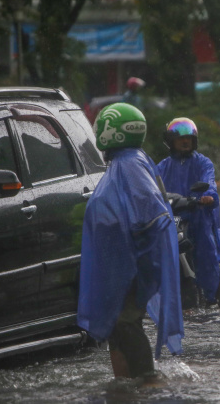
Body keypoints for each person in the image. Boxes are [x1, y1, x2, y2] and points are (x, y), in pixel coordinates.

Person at [77, 103, 183, 381]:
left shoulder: (128, 165)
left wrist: (135, 248)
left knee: (125, 321)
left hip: (132, 262)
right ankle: (123, 387)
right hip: (128, 259)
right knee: (117, 323)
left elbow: (151, 211)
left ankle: (147, 382)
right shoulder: (131, 160)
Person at [157, 118, 220, 308]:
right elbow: (152, 188)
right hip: (171, 218)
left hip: (199, 217)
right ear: (171, 141)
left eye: (188, 138)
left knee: (207, 257)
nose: (185, 142)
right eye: (180, 139)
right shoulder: (162, 167)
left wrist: (207, 197)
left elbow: (210, 183)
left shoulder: (203, 163)